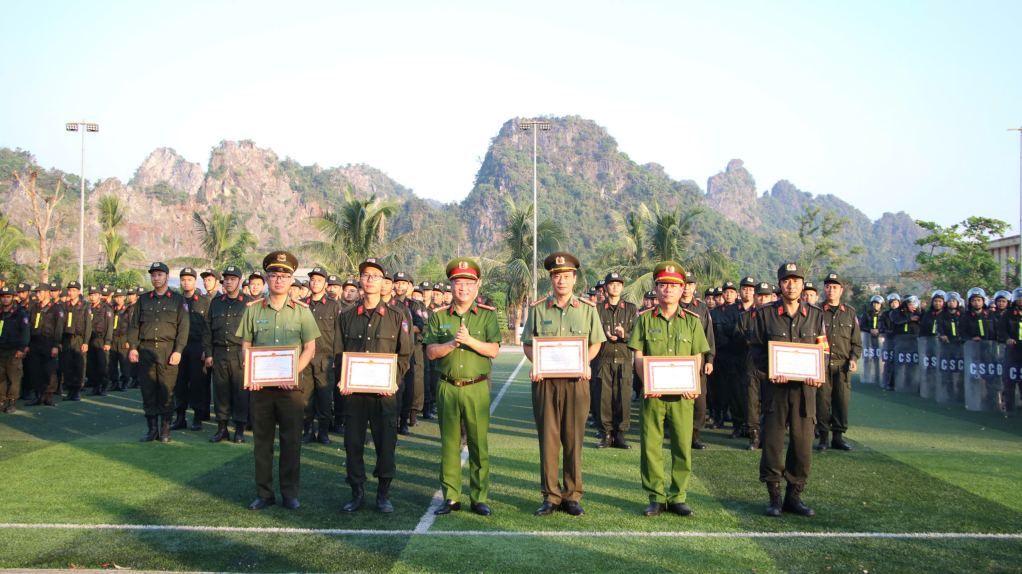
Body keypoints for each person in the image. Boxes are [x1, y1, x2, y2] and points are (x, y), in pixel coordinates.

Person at [521, 252, 605, 517]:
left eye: (566, 276)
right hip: (545, 383)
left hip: (576, 382)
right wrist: (538, 364)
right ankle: (550, 495)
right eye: (557, 276)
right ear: (551, 279)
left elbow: (596, 343)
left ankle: (572, 495)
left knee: (573, 439)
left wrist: (585, 363)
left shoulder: (588, 309)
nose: (561, 281)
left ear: (574, 279)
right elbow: (527, 343)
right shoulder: (538, 309)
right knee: (548, 440)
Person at [626, 261, 709, 517]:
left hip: (683, 396)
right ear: (657, 288)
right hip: (653, 395)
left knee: (682, 446)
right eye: (664, 285)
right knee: (651, 446)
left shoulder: (693, 322)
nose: (669, 290)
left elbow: (698, 356)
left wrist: (692, 383)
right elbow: (639, 355)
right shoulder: (644, 319)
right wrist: (648, 383)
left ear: (683, 289)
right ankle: (656, 497)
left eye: (674, 286)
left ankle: (678, 496)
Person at [238, 252, 319, 510]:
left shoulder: (302, 312)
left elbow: (310, 348)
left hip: (290, 388)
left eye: (284, 276)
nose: (279, 280)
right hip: (260, 389)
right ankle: (264, 494)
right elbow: (246, 345)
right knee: (262, 442)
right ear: (266, 279)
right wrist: (251, 371)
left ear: (291, 280)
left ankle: (289, 493)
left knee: (291, 441)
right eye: (274, 275)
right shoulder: (253, 310)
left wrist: (293, 372)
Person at [425, 258, 501, 517]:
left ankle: (479, 498)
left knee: (479, 444)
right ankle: (452, 497)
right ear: (451, 286)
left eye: (469, 283)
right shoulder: (439, 316)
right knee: (449, 443)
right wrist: (451, 345)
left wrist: (469, 340)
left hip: (476, 387)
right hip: (447, 386)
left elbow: (494, 350)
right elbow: (431, 352)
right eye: (458, 283)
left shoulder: (487, 316)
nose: (464, 288)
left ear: (477, 286)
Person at [750, 263, 826, 517]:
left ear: (803, 284)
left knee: (803, 444)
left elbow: (823, 349)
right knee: (772, 441)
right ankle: (774, 498)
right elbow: (757, 349)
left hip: (805, 391)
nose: (791, 285)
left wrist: (819, 373)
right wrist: (772, 370)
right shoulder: (765, 313)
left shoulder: (816, 315)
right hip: (776, 388)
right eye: (786, 280)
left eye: (796, 280)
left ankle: (794, 496)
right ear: (779, 284)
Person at [337, 258, 412, 514]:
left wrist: (394, 381)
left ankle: (383, 494)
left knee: (386, 443)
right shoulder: (346, 315)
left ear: (384, 283)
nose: (370, 280)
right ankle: (356, 493)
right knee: (353, 444)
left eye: (376, 276)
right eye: (366, 275)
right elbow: (339, 353)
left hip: (385, 393)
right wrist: (342, 379)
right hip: (354, 394)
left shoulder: (397, 315)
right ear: (360, 280)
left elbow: (405, 354)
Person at [128, 262, 189, 443]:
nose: (156, 278)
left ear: (167, 277)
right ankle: (152, 429)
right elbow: (134, 326)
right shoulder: (143, 300)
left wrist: (178, 351)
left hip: (167, 350)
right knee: (148, 391)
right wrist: (133, 347)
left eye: (159, 275)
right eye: (153, 275)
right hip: (146, 350)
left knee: (166, 391)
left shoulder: (177, 300)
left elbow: (183, 328)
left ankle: (165, 430)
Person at [816, 272, 861, 452]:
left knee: (841, 401)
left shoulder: (850, 313)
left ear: (841, 290)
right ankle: (823, 438)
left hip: (842, 364)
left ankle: (838, 437)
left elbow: (856, 341)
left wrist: (854, 358)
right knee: (822, 401)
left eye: (835, 287)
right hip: (822, 363)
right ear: (824, 289)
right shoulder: (817, 311)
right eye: (828, 287)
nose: (831, 290)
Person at [204, 266, 250, 443]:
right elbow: (208, 330)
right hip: (220, 353)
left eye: (233, 278)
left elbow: (255, 332)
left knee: (240, 393)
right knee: (220, 393)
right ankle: (222, 429)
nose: (229, 282)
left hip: (240, 354)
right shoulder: (216, 302)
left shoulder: (249, 303)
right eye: (226, 279)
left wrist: (250, 356)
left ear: (240, 281)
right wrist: (208, 354)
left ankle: (239, 430)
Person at [300, 266, 342, 445]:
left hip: (325, 358)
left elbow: (339, 335)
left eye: (319, 280)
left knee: (325, 397)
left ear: (326, 284)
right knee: (305, 397)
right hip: (304, 358)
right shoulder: (301, 304)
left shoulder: (334, 306)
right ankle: (307, 431)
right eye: (312, 279)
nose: (315, 282)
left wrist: (337, 359)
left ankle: (323, 432)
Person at [595, 272, 636, 449]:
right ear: (606, 287)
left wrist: (624, 335)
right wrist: (602, 335)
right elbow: (590, 333)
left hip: (624, 360)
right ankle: (606, 435)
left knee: (623, 400)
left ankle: (620, 435)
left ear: (622, 287)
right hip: (603, 360)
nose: (615, 287)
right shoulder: (596, 309)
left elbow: (637, 334)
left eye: (618, 284)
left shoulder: (631, 309)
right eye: (612, 284)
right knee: (604, 399)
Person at [172, 268, 211, 431]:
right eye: (183, 280)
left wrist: (206, 349)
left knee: (197, 384)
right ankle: (180, 417)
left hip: (197, 347)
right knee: (179, 384)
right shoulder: (175, 300)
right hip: (180, 347)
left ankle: (197, 418)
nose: (186, 282)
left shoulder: (204, 301)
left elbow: (209, 327)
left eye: (189, 279)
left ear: (195, 282)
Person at [679, 272, 715, 450]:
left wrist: (709, 359)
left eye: (690, 284)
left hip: (698, 361)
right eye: (684, 284)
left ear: (694, 287)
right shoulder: (672, 306)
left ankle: (695, 435)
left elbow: (709, 336)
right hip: (677, 360)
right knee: (677, 398)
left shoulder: (702, 309)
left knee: (699, 400)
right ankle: (678, 433)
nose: (686, 287)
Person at [738, 282, 775, 450]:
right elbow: (737, 338)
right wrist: (749, 339)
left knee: (770, 401)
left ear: (772, 297)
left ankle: (767, 435)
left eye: (766, 296)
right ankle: (754, 435)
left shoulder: (778, 317)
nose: (762, 299)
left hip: (772, 363)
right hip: (751, 363)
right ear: (755, 297)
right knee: (752, 402)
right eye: (759, 295)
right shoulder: (745, 317)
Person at [392, 271, 426, 433]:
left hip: (409, 351)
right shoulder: (388, 303)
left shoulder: (414, 305)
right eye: (397, 283)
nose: (400, 286)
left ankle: (405, 420)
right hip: (391, 352)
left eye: (403, 283)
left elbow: (420, 327)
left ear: (409, 286)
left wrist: (400, 329)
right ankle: (393, 420)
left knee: (409, 387)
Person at [25, 284, 61, 406]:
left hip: (48, 343)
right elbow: (29, 326)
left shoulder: (56, 308)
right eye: (37, 293)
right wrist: (27, 344)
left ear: (47, 292)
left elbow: (58, 328)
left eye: (40, 292)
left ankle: (49, 396)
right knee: (36, 370)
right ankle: (38, 396)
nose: (38, 295)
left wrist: (56, 345)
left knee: (49, 370)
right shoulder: (34, 307)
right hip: (35, 343)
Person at [0, 287, 30, 412]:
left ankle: (12, 402)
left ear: (13, 298)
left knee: (14, 378)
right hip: (1, 350)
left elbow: (25, 332)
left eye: (8, 296)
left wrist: (22, 348)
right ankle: (1, 401)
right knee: (0, 377)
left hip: (14, 350)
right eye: (3, 296)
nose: (5, 299)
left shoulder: (20, 312)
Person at [61, 281, 92, 402]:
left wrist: (86, 342)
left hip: (79, 339)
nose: (71, 292)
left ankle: (77, 391)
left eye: (74, 290)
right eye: (69, 290)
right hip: (66, 339)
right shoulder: (64, 306)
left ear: (79, 292)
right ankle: (70, 391)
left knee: (79, 365)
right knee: (67, 365)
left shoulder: (85, 306)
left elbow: (88, 326)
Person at [84, 286, 113, 397]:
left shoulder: (106, 308)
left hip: (101, 340)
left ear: (100, 295)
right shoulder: (88, 308)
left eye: (95, 295)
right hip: (91, 339)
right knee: (92, 365)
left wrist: (107, 342)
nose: (93, 297)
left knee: (102, 365)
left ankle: (104, 386)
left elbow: (109, 326)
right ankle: (96, 387)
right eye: (91, 295)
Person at [108, 289, 132, 392]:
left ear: (124, 298)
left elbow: (132, 326)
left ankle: (125, 383)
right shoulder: (111, 308)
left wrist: (129, 340)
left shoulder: (128, 309)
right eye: (117, 297)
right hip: (113, 338)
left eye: (120, 297)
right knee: (112, 362)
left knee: (124, 362)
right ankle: (114, 383)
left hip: (123, 338)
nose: (118, 299)